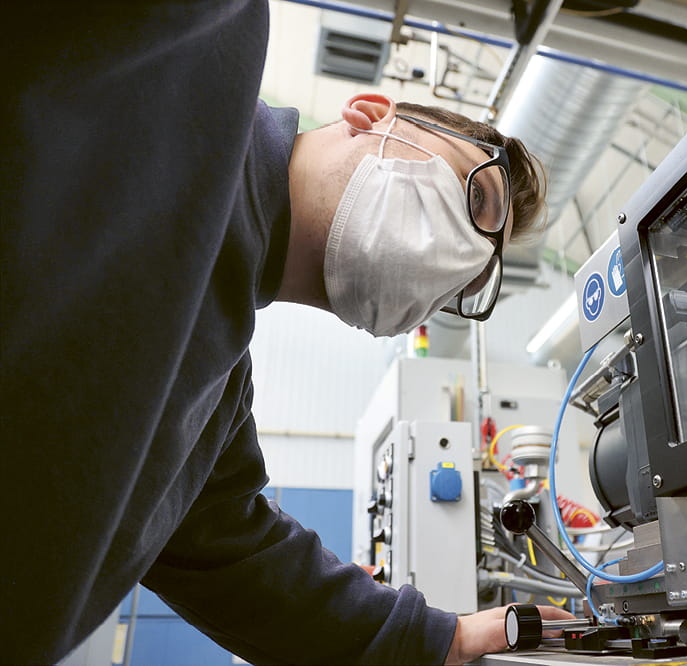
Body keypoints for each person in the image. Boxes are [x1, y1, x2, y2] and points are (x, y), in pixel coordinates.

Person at [1, 1, 574, 664]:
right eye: (480, 200)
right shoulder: (195, 40)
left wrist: (445, 636)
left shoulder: (203, 410)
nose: (466, 259)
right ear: (371, 114)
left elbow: (239, 557)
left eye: (471, 284)